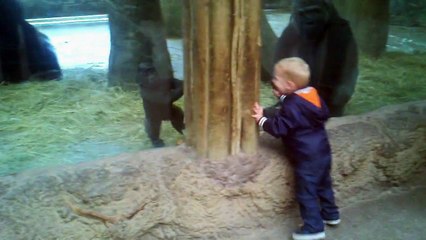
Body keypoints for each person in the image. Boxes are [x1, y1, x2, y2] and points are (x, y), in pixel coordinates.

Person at [251, 57, 340, 240]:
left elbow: (279, 128)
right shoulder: (312, 95)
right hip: (322, 152)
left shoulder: (292, 105)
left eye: (276, 78)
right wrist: (283, 97)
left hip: (306, 157)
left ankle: (314, 227)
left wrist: (261, 119)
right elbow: (296, 106)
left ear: (290, 85)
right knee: (324, 185)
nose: (272, 80)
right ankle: (331, 214)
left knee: (306, 193)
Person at [137, 61, 185, 148]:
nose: (151, 76)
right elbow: (167, 99)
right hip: (154, 115)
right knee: (153, 127)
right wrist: (183, 88)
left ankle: (185, 131)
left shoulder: (161, 80)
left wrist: (183, 85)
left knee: (178, 114)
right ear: (142, 77)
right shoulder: (144, 90)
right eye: (147, 73)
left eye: (152, 72)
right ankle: (156, 141)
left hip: (168, 109)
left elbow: (177, 83)